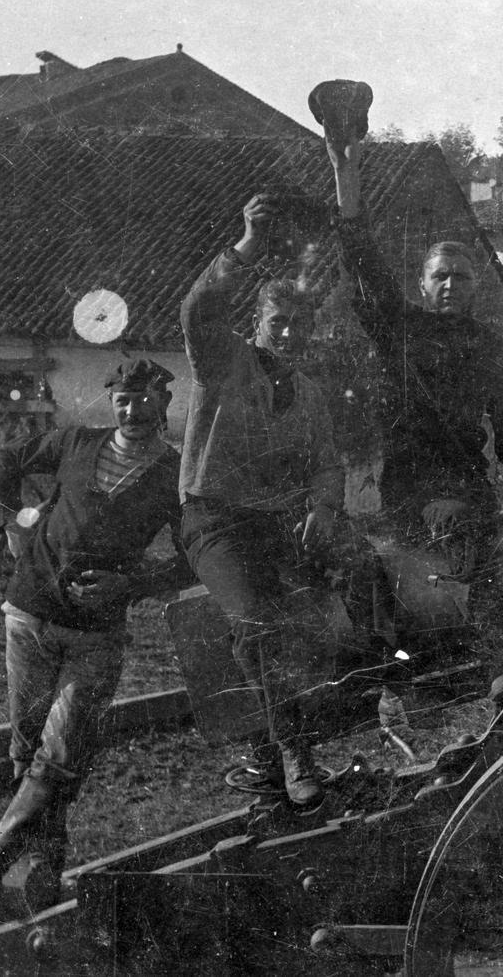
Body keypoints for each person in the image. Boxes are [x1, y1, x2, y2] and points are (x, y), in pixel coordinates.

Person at [310, 79, 503, 680]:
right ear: (423, 285)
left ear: (477, 288)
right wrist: (347, 180)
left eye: (462, 278)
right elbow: (363, 262)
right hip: (410, 481)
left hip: (468, 477)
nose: (451, 286)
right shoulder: (399, 329)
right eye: (440, 277)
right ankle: (468, 670)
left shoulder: (490, 345)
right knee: (458, 546)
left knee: (496, 557)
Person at [0, 360, 191, 910]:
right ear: (110, 401)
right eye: (123, 400)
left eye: (144, 400)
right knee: (27, 746)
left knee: (60, 753)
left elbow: (193, 559)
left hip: (95, 635)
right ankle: (45, 862)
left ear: (163, 404)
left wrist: (130, 585)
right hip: (29, 614)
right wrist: (11, 523)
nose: (133, 411)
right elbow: (4, 459)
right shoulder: (74, 441)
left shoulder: (176, 473)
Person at [178, 191, 362, 805]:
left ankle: (381, 701)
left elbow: (327, 463)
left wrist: (323, 507)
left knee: (356, 581)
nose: (286, 333)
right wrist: (248, 245)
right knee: (257, 621)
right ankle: (291, 749)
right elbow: (199, 308)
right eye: (275, 323)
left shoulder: (308, 391)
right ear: (257, 326)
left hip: (280, 523)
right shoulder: (222, 362)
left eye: (297, 325)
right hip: (214, 521)